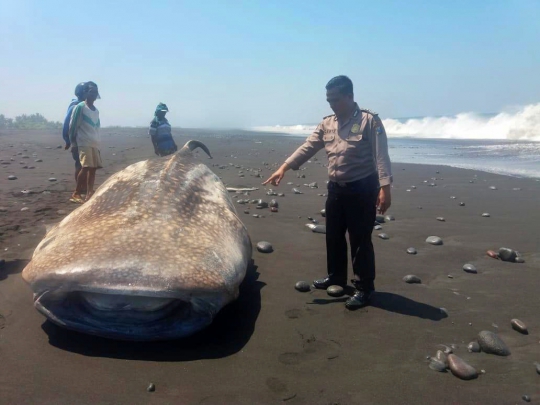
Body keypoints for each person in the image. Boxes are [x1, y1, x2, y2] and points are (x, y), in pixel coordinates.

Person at [263, 75, 392, 310]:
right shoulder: (327, 123)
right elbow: (308, 146)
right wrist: (284, 167)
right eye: (328, 100)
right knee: (333, 235)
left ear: (350, 97)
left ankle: (364, 288)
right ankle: (336, 278)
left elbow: (381, 155)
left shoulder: (368, 120)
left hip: (363, 188)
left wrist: (385, 188)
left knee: (360, 240)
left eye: (335, 99)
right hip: (336, 189)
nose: (331, 104)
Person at [68, 81, 102, 203]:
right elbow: (73, 126)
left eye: (95, 92)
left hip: (94, 143)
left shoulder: (96, 110)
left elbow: (97, 127)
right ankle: (76, 192)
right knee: (86, 167)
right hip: (84, 141)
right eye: (91, 91)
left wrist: (98, 143)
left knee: (93, 168)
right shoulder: (80, 107)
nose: (93, 94)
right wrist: (73, 143)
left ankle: (89, 192)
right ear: (85, 93)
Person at [62, 82, 87, 186]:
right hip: (77, 141)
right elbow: (67, 125)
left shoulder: (86, 106)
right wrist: (68, 141)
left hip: (86, 141)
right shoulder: (76, 106)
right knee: (80, 165)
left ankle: (84, 187)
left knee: (86, 166)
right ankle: (79, 189)